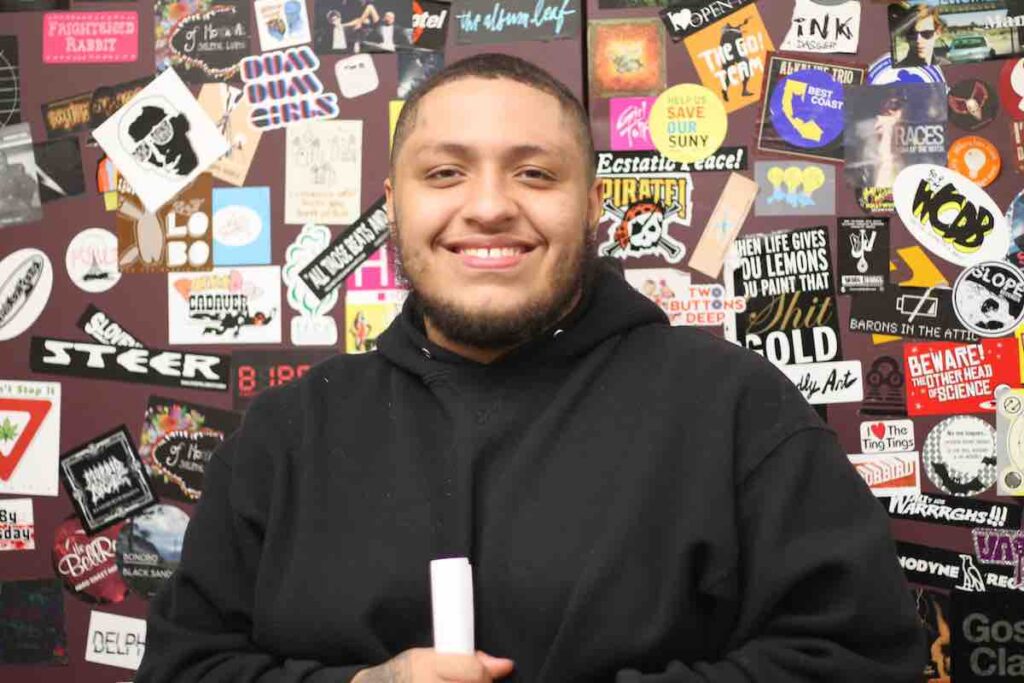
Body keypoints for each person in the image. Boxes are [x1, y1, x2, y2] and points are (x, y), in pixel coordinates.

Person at [135, 53, 924, 682]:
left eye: (535, 173)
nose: (487, 206)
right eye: (444, 172)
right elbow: (183, 666)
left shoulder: (735, 408)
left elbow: (861, 658)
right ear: (393, 200)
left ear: (591, 205)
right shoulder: (286, 434)